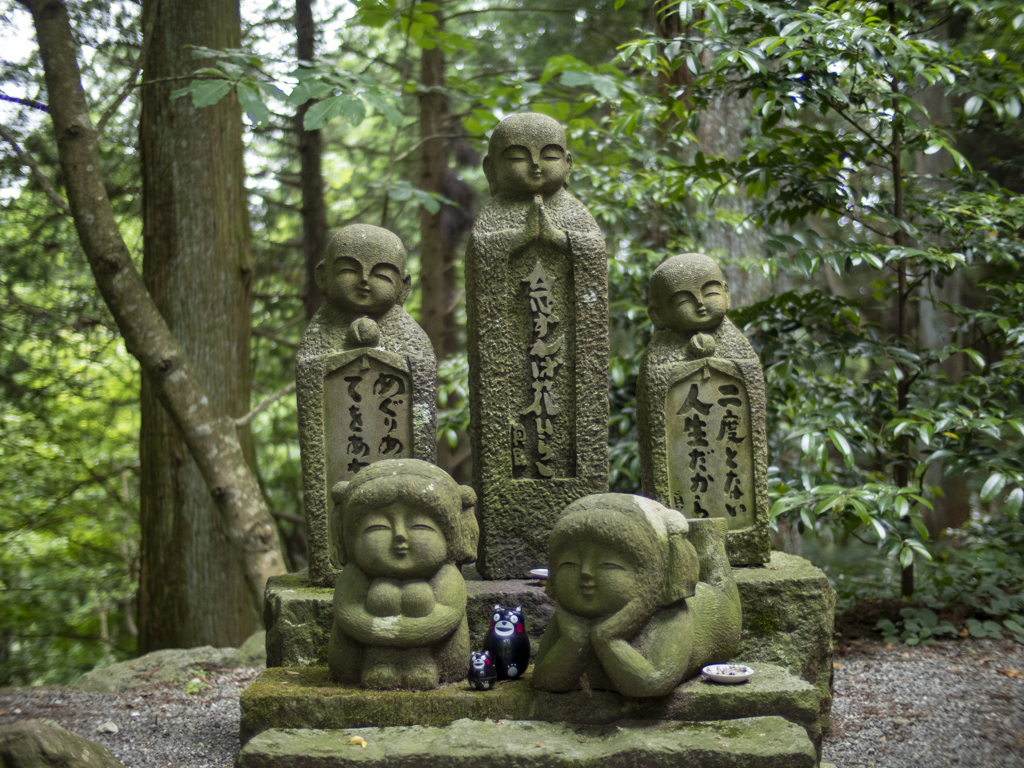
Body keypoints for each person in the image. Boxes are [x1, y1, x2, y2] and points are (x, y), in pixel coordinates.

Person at [532, 494, 740, 697]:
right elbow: (543, 679)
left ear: (652, 575)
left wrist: (608, 638)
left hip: (719, 611)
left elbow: (653, 681)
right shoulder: (569, 619)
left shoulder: (670, 617)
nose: (585, 572)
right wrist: (573, 641)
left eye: (608, 565)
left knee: (715, 568)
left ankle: (709, 536)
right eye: (569, 564)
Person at [327, 459, 479, 689]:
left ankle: (419, 665)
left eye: (420, 527)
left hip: (431, 651)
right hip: (371, 652)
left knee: (418, 595)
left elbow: (447, 615)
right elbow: (348, 613)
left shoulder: (445, 575)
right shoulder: (355, 575)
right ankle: (379, 664)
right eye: (378, 527)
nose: (400, 536)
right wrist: (389, 632)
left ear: (450, 539)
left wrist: (395, 631)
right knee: (382, 594)